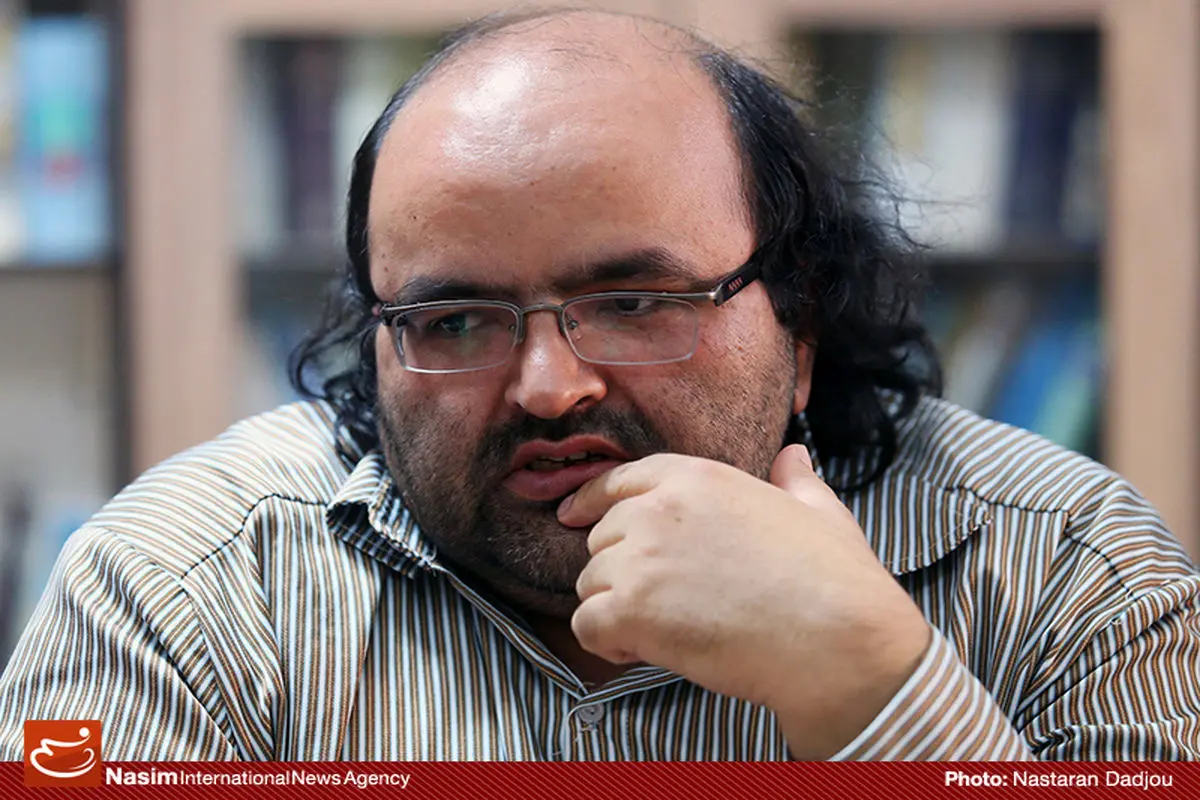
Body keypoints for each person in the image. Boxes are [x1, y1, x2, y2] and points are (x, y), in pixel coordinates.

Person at [1, 8, 1198, 762]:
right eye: (454, 318)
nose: (548, 385)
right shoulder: (180, 586)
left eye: (634, 301)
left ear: (799, 319)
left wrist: (876, 686)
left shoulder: (1069, 565)